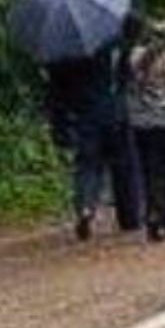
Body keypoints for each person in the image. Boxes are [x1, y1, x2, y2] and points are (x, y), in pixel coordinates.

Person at [45, 27, 141, 241]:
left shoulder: (64, 52)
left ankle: (85, 207)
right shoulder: (113, 40)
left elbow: (57, 91)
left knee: (87, 165)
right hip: (115, 112)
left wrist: (60, 123)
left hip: (85, 115)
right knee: (124, 164)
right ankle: (130, 216)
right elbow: (126, 76)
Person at [126, 15, 165, 242]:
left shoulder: (132, 58)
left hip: (142, 123)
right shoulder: (164, 59)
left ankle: (154, 214)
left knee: (151, 172)